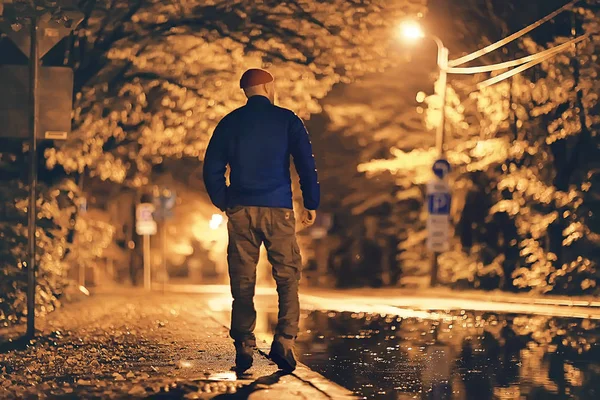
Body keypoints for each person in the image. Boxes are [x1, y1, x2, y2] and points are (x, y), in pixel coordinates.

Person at [203, 68, 320, 373]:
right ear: (268, 87)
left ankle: (244, 342)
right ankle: (284, 341)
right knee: (288, 276)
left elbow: (211, 167)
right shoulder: (288, 120)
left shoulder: (230, 122)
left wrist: (225, 200)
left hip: (241, 209)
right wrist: (311, 203)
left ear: (246, 91)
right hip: (279, 209)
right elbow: (306, 163)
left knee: (242, 280)